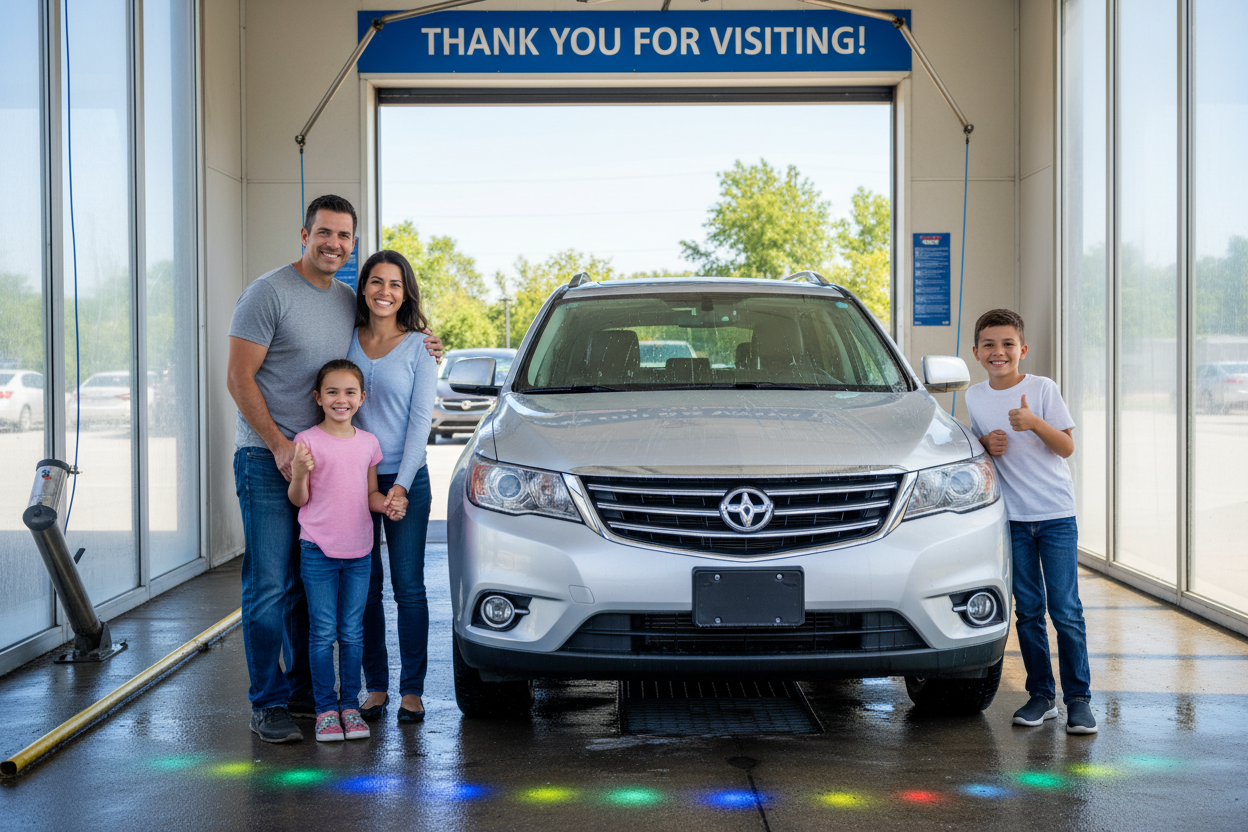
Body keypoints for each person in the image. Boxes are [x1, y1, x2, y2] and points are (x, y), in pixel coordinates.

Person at [227, 194, 442, 743]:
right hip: (275, 455)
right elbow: (238, 378)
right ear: (305, 234)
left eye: (344, 236)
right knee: (275, 583)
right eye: (325, 233)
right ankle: (272, 700)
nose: (334, 244)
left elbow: (409, 394)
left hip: (360, 471)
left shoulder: (351, 304)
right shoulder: (269, 293)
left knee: (320, 585)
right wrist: (279, 446)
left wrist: (426, 342)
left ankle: (312, 690)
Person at [963, 308, 1097, 735]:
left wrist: (1035, 423)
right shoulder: (974, 396)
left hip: (1055, 516)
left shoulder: (1042, 389)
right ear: (976, 352)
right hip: (1013, 520)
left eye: (1007, 344)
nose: (998, 352)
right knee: (1028, 612)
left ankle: (1079, 700)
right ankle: (1041, 694)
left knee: (1067, 612)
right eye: (989, 345)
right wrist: (986, 442)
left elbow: (1066, 447)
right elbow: (977, 452)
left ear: (1022, 349)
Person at [289, 359, 400, 742]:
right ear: (318, 398)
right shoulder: (306, 441)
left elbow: (369, 495)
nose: (342, 399)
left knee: (352, 633)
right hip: (317, 549)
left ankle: (350, 708)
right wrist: (300, 471)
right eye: (332, 392)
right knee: (322, 632)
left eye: (350, 392)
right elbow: (298, 499)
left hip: (359, 552)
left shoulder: (368, 442)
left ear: (362, 398)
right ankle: (325, 712)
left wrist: (386, 503)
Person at [348, 251, 438, 724]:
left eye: (395, 284)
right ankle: (376, 687)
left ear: (406, 293)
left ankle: (412, 690)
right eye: (377, 282)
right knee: (366, 589)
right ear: (363, 288)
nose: (385, 291)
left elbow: (421, 421)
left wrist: (400, 487)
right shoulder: (348, 340)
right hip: (355, 479)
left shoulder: (421, 346)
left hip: (407, 478)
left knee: (409, 587)